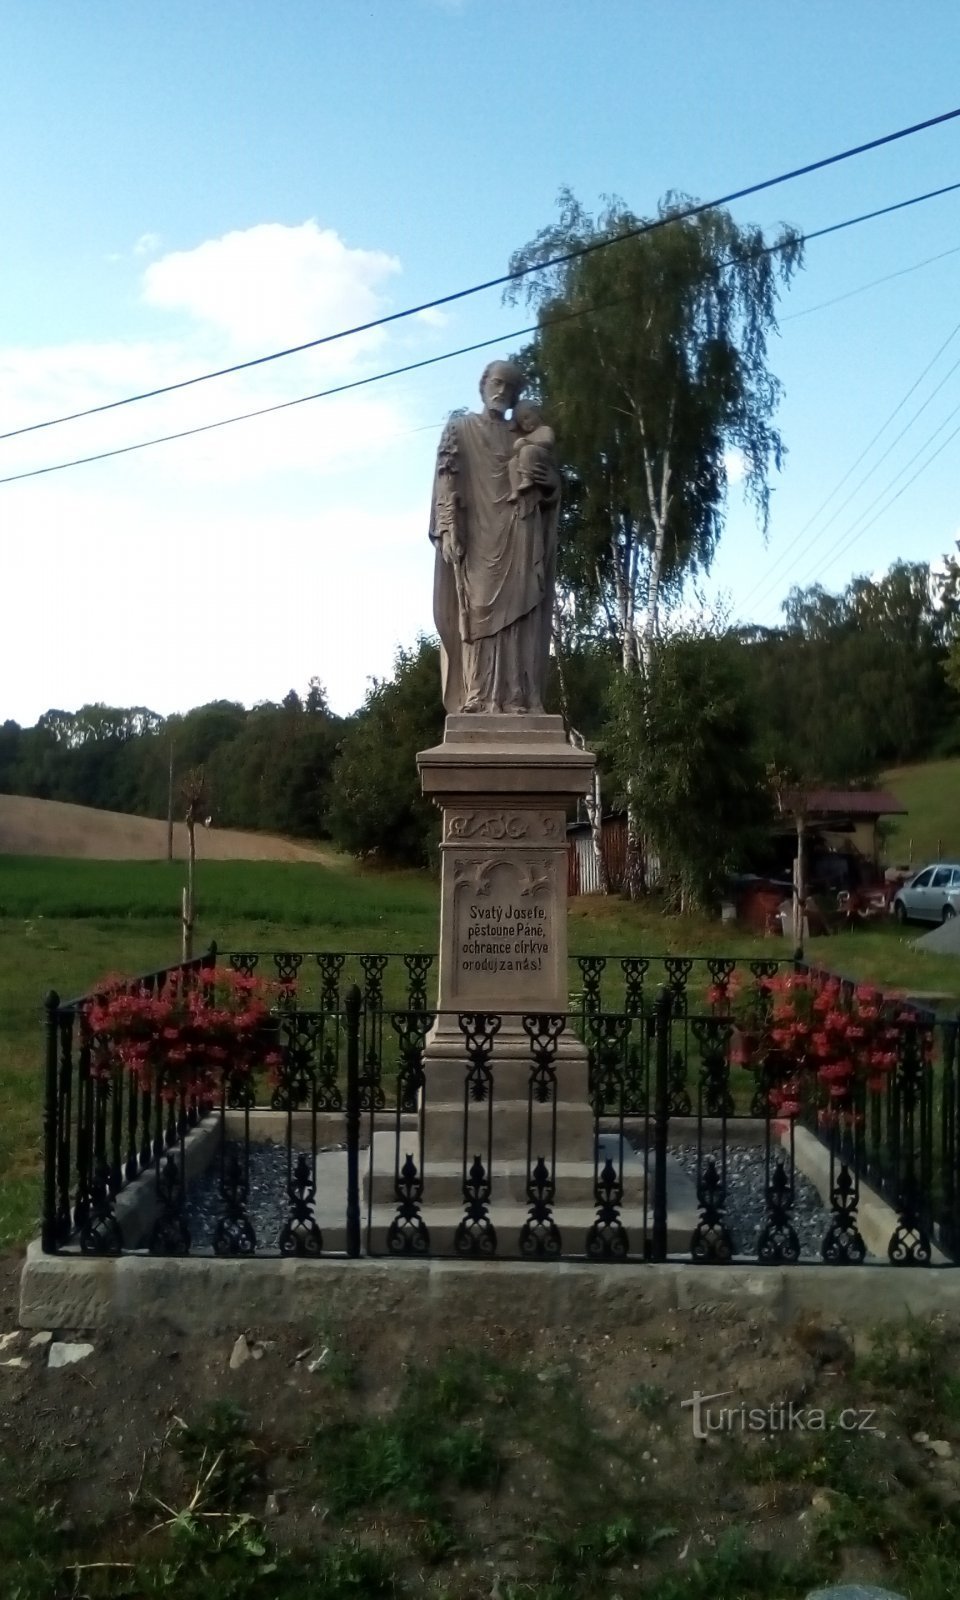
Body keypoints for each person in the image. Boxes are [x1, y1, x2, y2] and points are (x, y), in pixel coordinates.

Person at [428, 361, 560, 715]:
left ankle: (517, 696)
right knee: (476, 614)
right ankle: (478, 694)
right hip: (476, 543)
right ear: (483, 384)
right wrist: (447, 528)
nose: (502, 391)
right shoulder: (460, 428)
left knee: (518, 618)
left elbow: (550, 485)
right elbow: (446, 482)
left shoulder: (521, 439)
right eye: (497, 383)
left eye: (510, 387)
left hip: (519, 534)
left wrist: (546, 484)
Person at [508, 400, 557, 502]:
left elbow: (549, 443)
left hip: (542, 456)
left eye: (527, 417)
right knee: (512, 462)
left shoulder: (545, 429)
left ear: (537, 413)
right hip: (529, 456)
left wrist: (531, 444)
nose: (525, 423)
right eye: (521, 423)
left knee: (527, 450)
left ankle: (527, 478)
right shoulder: (528, 436)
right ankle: (515, 490)